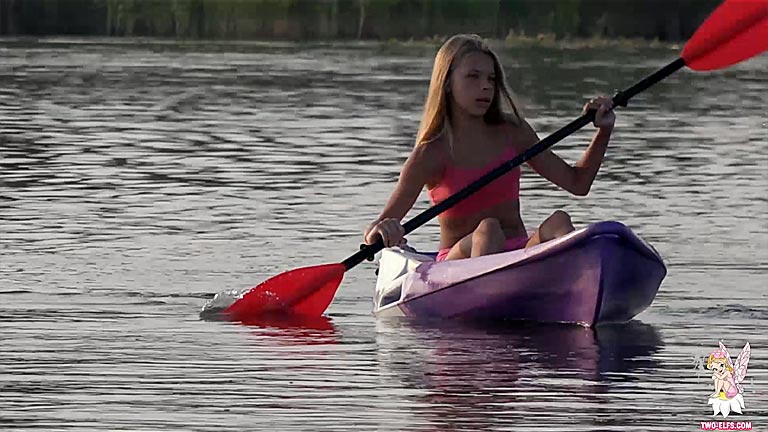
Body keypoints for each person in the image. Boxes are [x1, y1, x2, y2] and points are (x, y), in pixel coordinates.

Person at [363, 34, 615, 261]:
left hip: (517, 252)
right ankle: (489, 289)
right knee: (489, 229)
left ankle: (578, 278)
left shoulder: (513, 131)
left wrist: (603, 131)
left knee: (559, 220)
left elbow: (578, 183)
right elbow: (376, 228)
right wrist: (383, 230)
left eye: (491, 79)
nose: (485, 86)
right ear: (447, 82)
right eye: (473, 76)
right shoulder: (430, 154)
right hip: (457, 262)